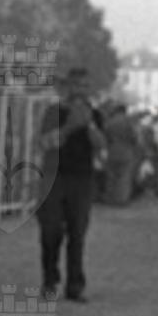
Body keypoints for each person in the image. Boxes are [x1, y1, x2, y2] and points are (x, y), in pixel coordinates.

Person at [37, 64, 106, 302]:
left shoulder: (94, 114)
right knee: (51, 231)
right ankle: (49, 279)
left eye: (85, 86)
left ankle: (75, 285)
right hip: (53, 177)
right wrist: (69, 127)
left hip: (82, 179)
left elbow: (101, 146)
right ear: (68, 87)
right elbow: (45, 143)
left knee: (77, 233)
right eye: (77, 85)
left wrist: (88, 125)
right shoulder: (53, 112)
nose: (80, 90)